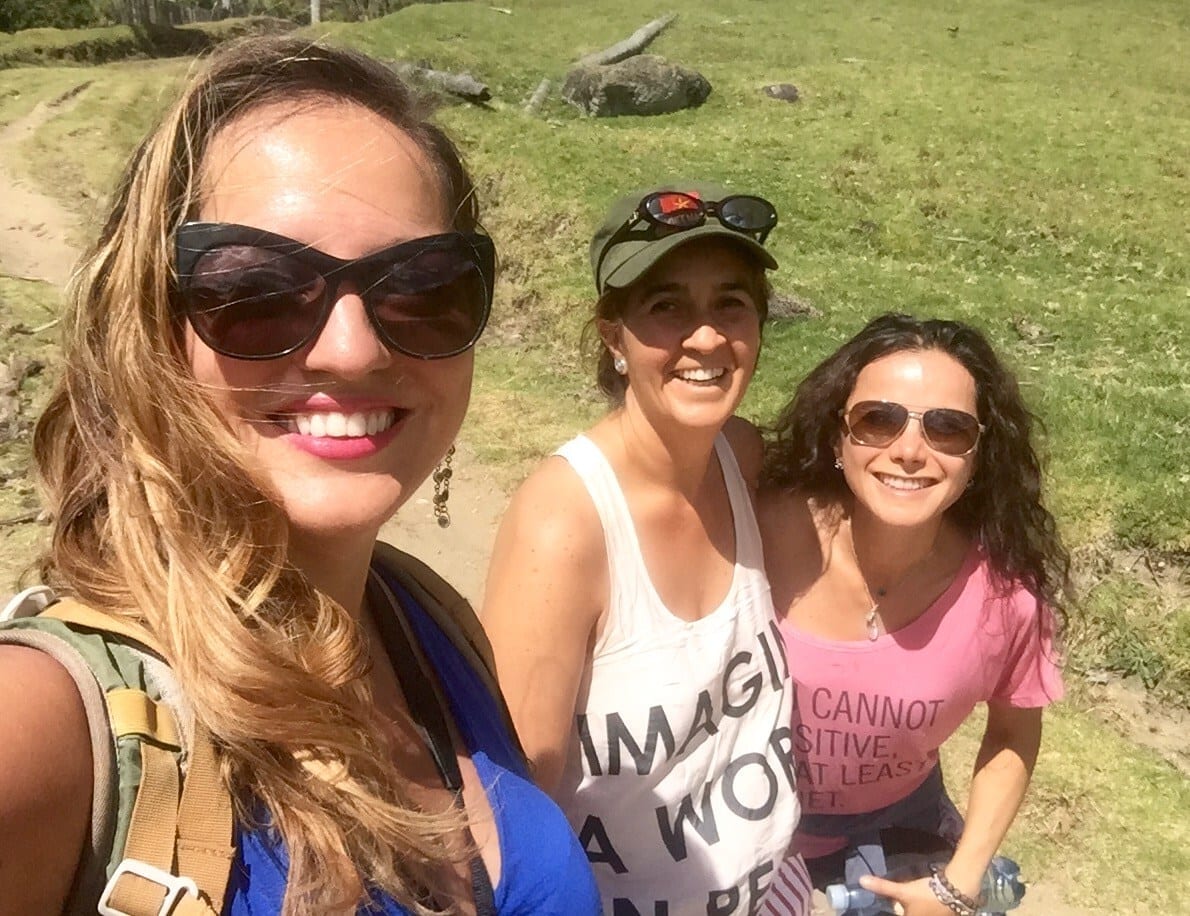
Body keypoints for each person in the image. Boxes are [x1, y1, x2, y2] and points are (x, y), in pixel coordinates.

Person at [0, 37, 599, 916]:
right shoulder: (48, 729)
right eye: (257, 291)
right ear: (148, 324)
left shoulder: (432, 624)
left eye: (421, 289)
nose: (353, 350)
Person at [483, 184, 811, 915]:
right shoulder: (565, 525)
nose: (706, 338)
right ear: (614, 336)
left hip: (772, 892)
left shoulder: (742, 458)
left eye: (732, 303)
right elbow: (518, 800)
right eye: (667, 307)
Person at [758, 313, 1068, 916]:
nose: (908, 451)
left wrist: (960, 882)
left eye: (948, 429)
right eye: (877, 419)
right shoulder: (759, 528)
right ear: (835, 437)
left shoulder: (1006, 598)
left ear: (979, 455)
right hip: (736, 823)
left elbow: (1012, 734)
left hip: (898, 837)